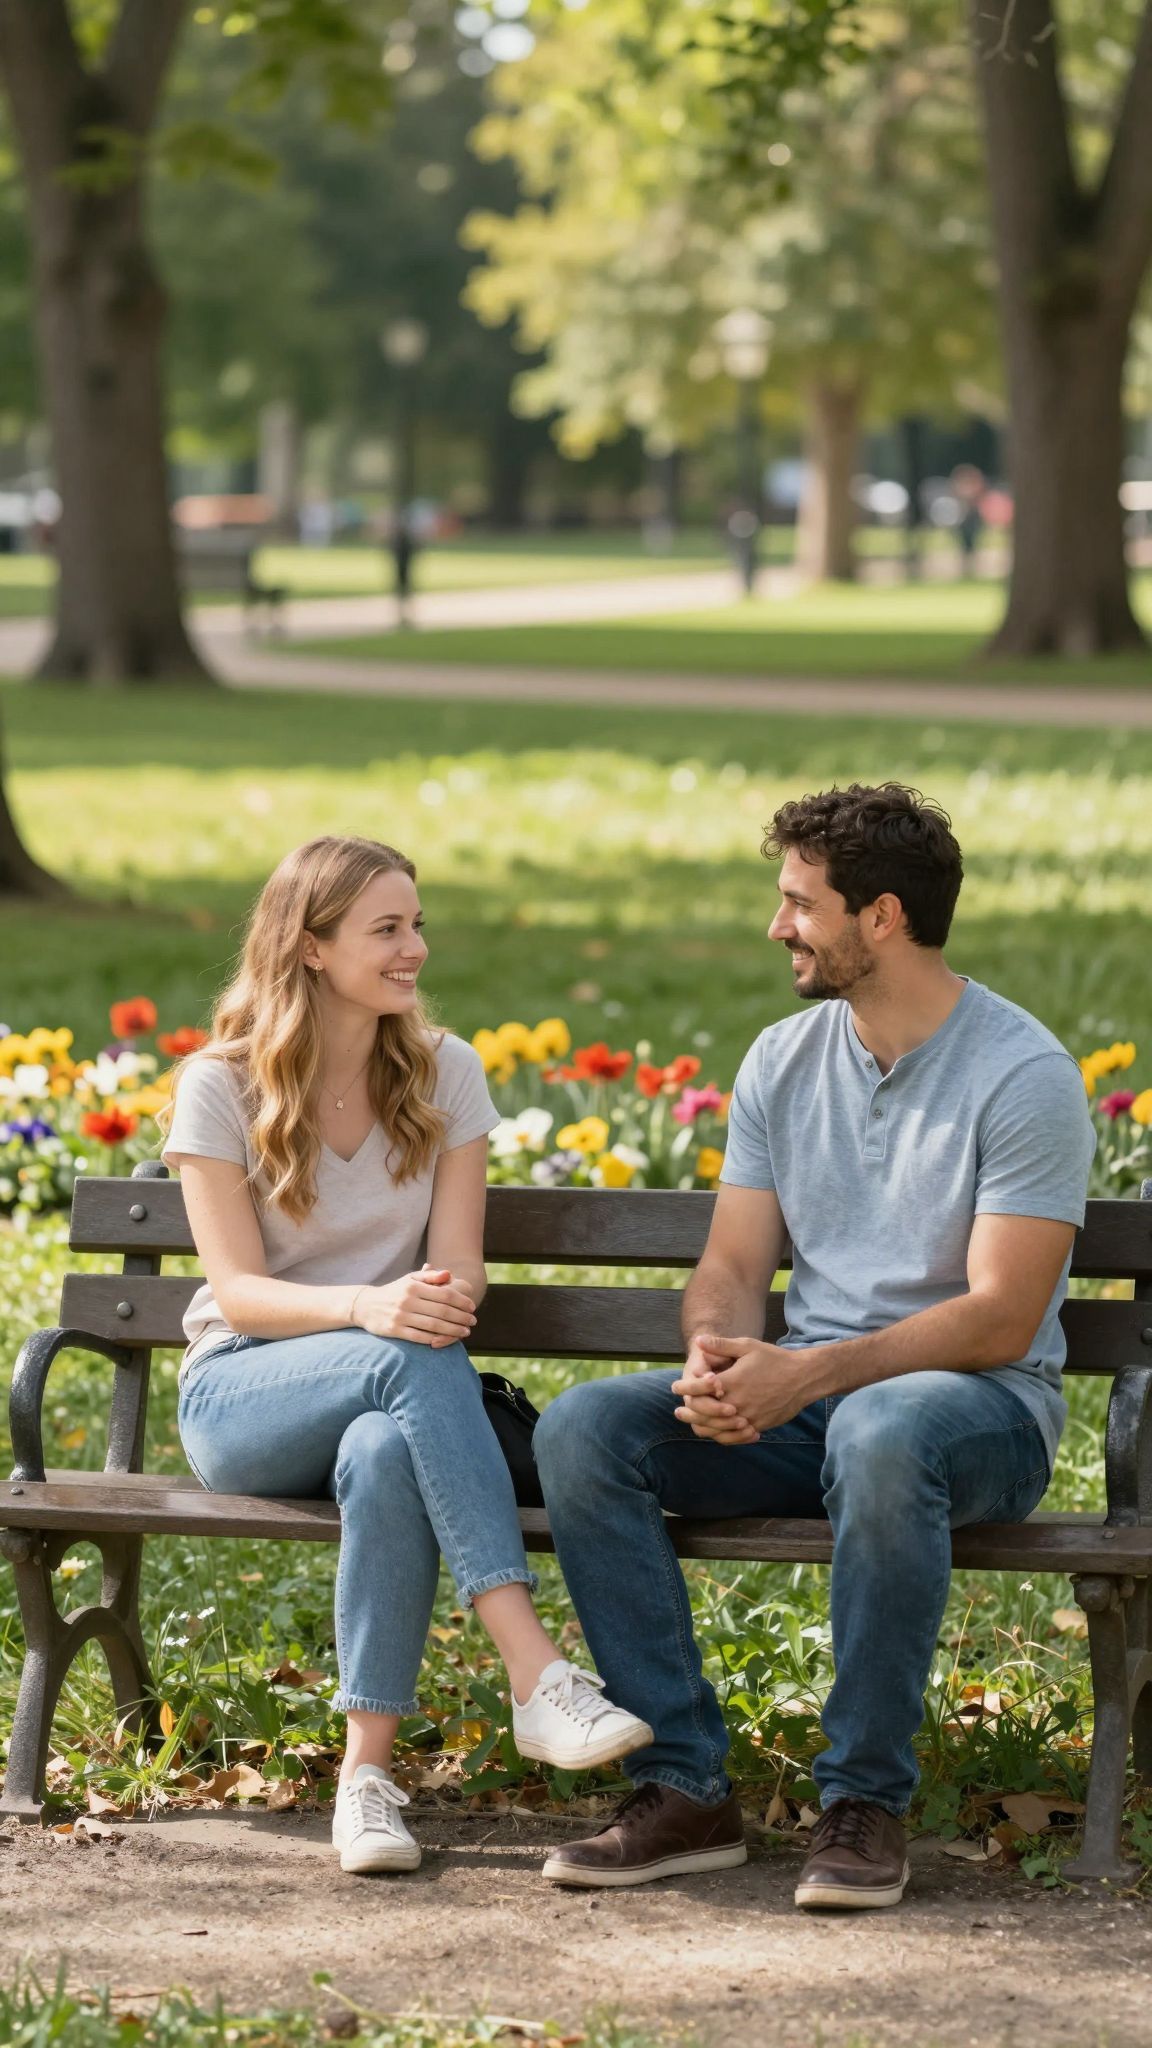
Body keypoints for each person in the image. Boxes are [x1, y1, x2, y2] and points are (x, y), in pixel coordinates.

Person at [535, 783, 1095, 1909]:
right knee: (586, 1429)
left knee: (884, 1429)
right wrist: (718, 1356)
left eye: (800, 903)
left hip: (977, 1412)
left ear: (881, 917)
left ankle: (864, 1801)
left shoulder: (1022, 1074)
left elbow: (1002, 1314)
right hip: (813, 1403)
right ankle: (684, 1786)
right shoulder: (784, 1059)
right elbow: (733, 1266)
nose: (776, 924)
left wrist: (811, 1372)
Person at [159, 835, 650, 1877]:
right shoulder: (220, 1084)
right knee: (403, 1353)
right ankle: (534, 1669)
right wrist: (369, 1306)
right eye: (386, 928)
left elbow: (460, 1264)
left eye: (416, 923)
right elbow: (238, 1293)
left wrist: (436, 1295)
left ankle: (365, 1781)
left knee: (387, 1445)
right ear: (311, 945)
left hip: (391, 1388)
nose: (414, 948)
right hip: (243, 1392)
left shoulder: (444, 1072)